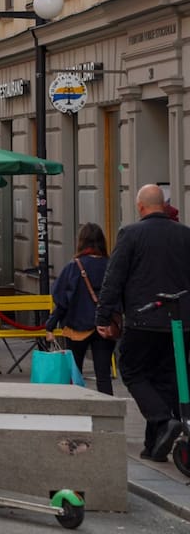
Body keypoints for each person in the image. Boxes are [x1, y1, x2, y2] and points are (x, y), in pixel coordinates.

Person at [96, 184, 190, 461]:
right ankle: (154, 445)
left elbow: (114, 278)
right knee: (163, 379)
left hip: (143, 318)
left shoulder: (131, 234)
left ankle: (162, 420)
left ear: (140, 207)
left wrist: (103, 316)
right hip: (181, 323)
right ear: (163, 204)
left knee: (133, 371)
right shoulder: (186, 235)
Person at [44, 223, 116, 395]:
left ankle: (76, 407)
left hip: (77, 327)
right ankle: (107, 411)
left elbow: (61, 300)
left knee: (75, 372)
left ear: (81, 242)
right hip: (104, 325)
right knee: (103, 375)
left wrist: (50, 325)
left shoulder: (74, 267)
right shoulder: (111, 266)